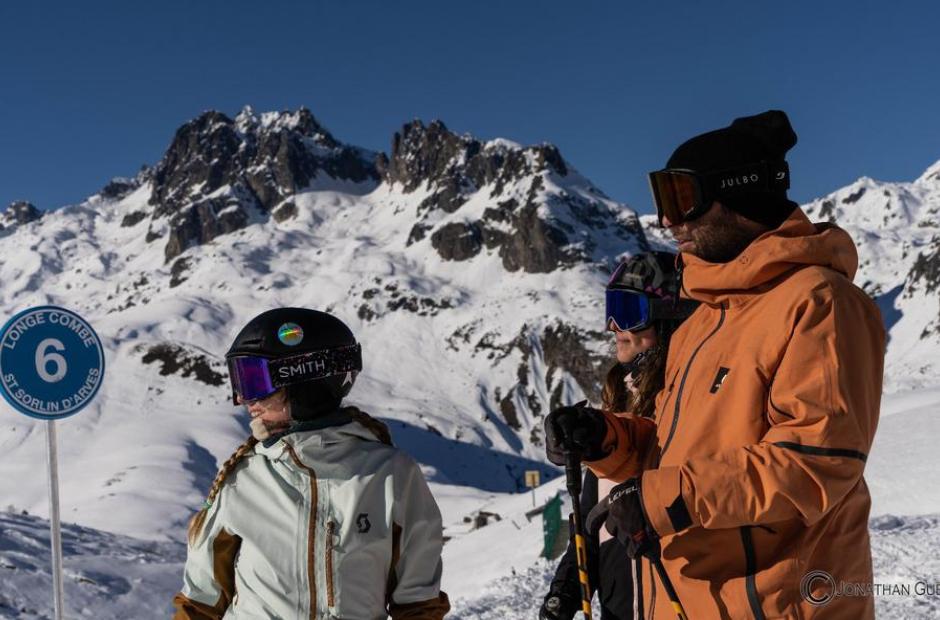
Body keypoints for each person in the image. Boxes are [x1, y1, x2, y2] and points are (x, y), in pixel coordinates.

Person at [545, 110, 885, 618]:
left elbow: (815, 462)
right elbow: (667, 449)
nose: (667, 221)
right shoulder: (706, 319)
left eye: (681, 199)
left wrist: (665, 498)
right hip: (685, 601)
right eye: (663, 200)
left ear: (738, 197)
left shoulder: (819, 303)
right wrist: (607, 440)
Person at [172, 308, 450, 620]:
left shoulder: (389, 476)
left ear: (304, 381)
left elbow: (418, 604)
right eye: (239, 381)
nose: (242, 399)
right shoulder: (243, 479)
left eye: (253, 381)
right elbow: (199, 602)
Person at [540, 252, 697, 620]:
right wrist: (564, 591)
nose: (614, 326)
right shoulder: (615, 414)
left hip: (675, 595)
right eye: (611, 309)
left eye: (627, 310)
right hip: (619, 606)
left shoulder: (687, 408)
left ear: (670, 318)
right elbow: (590, 519)